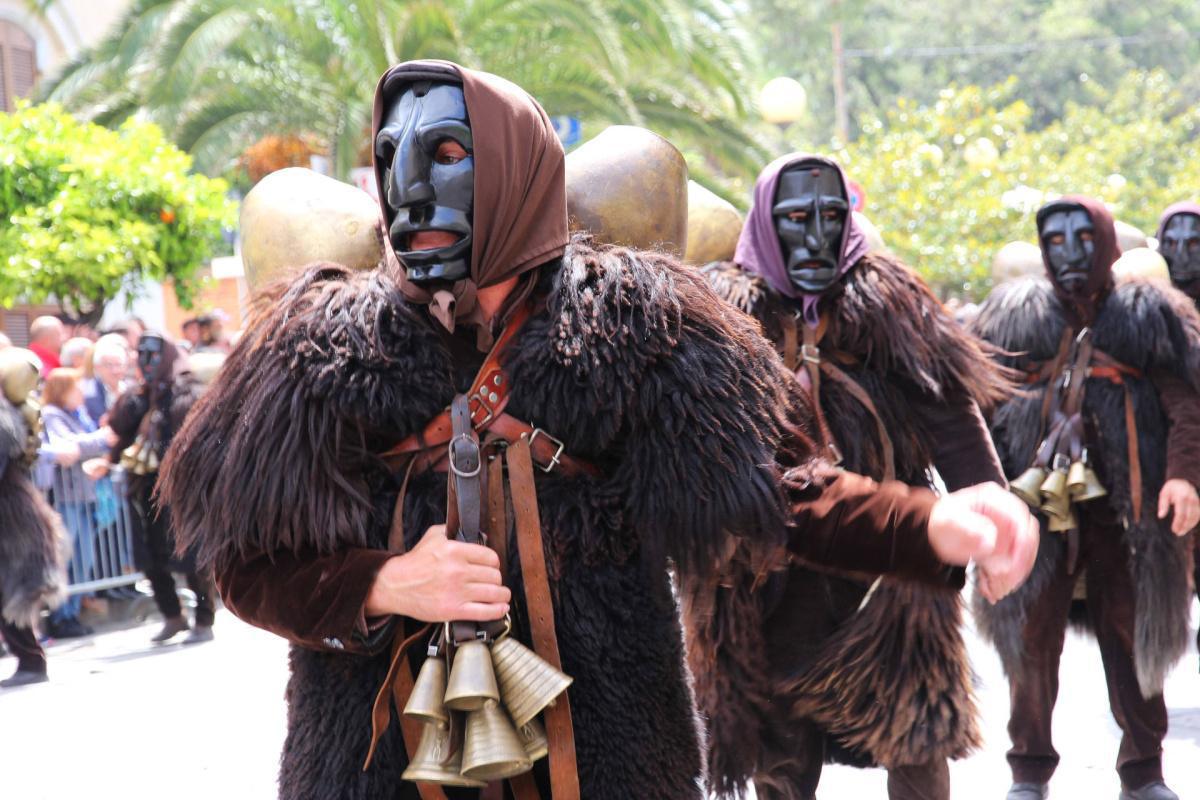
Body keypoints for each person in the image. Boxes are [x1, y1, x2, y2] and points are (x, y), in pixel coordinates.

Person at [158, 61, 1035, 800]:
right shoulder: (314, 354)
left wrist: (930, 525)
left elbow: (772, 495)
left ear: (514, 168)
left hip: (613, 758)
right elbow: (246, 569)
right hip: (376, 765)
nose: (408, 187)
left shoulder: (640, 330)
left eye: (447, 153)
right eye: (390, 157)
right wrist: (385, 583)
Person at [689, 153, 1012, 800]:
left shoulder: (887, 305)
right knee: (779, 750)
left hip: (887, 567)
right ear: (765, 223)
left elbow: (948, 410)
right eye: (796, 219)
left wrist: (993, 512)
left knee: (914, 732)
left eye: (832, 217)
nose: (816, 237)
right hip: (767, 568)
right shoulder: (722, 315)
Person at [972, 196, 1200, 800]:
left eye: (1081, 239)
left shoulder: (1146, 315)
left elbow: (1184, 401)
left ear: (1104, 244)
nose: (1069, 253)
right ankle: (1028, 770)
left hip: (1128, 514)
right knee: (1029, 635)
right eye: (1055, 241)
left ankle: (1144, 771)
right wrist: (984, 491)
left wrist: (1182, 476)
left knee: (1133, 636)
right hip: (1036, 508)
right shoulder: (1015, 317)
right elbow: (979, 405)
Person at [102, 333, 213, 645]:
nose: (146, 362)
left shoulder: (188, 393)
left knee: (192, 556)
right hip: (145, 489)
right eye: (141, 355)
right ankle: (172, 616)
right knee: (150, 556)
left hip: (181, 490)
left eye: (153, 356)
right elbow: (123, 436)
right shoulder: (140, 396)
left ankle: (204, 620)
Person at [0, 348, 67, 687]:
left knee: (11, 590)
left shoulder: (2, 415)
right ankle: (29, 660)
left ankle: (31, 662)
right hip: (11, 512)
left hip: (10, 516)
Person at [39, 368, 114, 639]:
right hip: (66, 498)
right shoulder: (51, 414)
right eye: (76, 388)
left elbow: (83, 447)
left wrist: (96, 442)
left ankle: (71, 613)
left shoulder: (77, 415)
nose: (81, 393)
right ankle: (61, 616)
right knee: (67, 558)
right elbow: (67, 447)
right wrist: (101, 438)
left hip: (84, 495)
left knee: (84, 559)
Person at [1156, 201, 1200, 661]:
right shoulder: (1149, 310)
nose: (1181, 254)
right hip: (1166, 467)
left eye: (1192, 244)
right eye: (1171, 244)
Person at [82, 334, 130, 425]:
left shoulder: (129, 389)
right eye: (109, 365)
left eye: (119, 365)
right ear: (97, 367)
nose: (115, 370)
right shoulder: (90, 392)